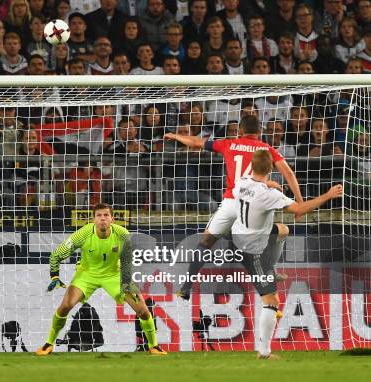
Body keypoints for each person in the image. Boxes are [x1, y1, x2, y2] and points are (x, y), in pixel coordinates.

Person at [164, 115, 303, 300]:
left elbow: (196, 142)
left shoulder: (229, 143)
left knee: (206, 242)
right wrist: (300, 202)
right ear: (260, 131)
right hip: (255, 204)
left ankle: (186, 287)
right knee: (276, 233)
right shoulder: (267, 149)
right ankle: (269, 270)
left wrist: (175, 136)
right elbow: (289, 173)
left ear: (240, 131)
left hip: (231, 202)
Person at [232, 149, 343, 359]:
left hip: (240, 235)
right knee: (272, 300)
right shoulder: (269, 195)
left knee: (283, 229)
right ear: (272, 169)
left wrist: (267, 184)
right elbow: (300, 208)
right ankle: (264, 352)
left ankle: (270, 269)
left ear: (252, 166)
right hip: (252, 250)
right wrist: (327, 195)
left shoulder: (242, 182)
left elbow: (254, 187)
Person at [36, 203, 167, 356]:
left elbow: (126, 262)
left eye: (106, 215)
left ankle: (154, 346)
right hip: (86, 274)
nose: (102, 219)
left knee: (143, 311)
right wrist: (55, 276)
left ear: (112, 219)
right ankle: (49, 344)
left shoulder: (123, 234)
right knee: (65, 306)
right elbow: (56, 255)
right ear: (93, 219)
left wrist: (127, 285)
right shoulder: (83, 234)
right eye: (99, 215)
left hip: (115, 274)